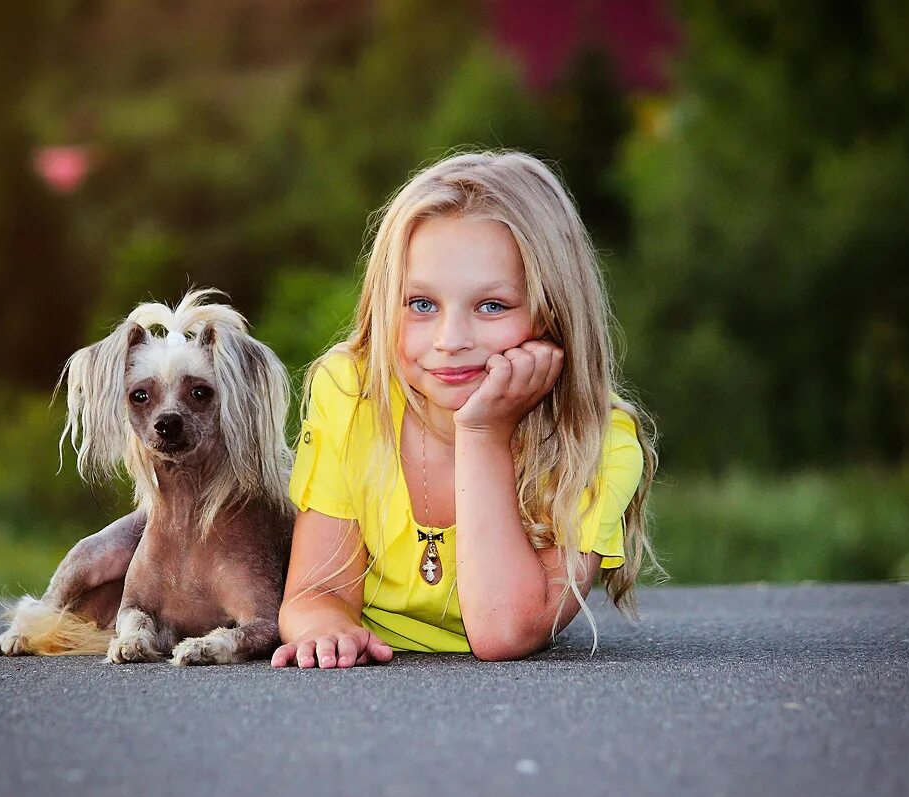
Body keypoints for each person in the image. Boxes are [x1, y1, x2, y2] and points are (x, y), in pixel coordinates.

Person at [270, 151, 665, 669]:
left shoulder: (597, 441)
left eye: (492, 306)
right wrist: (328, 627)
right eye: (421, 304)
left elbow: (503, 631)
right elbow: (314, 593)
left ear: (555, 315)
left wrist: (483, 433)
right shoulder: (353, 394)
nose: (451, 340)